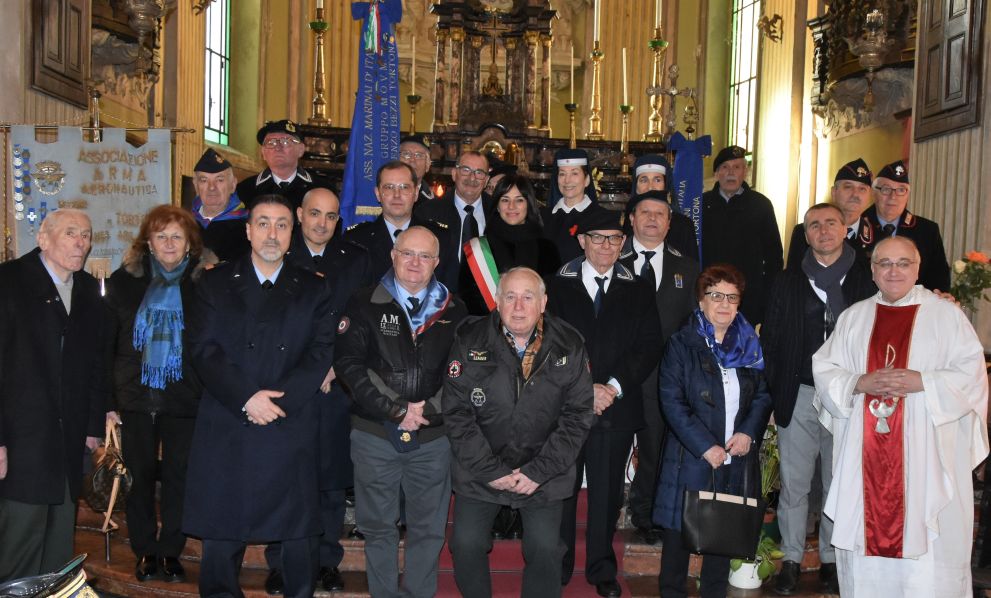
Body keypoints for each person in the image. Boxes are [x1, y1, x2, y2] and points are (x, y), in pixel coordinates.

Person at [812, 236, 989, 597]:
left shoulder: (947, 316)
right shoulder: (854, 317)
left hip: (924, 458)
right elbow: (825, 370)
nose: (894, 271)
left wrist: (922, 381)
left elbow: (972, 376)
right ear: (873, 271)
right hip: (867, 458)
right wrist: (860, 381)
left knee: (928, 557)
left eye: (903, 263)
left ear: (917, 268)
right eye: (885, 264)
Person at [182, 194, 335, 598]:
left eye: (282, 224)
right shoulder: (214, 282)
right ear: (248, 231)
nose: (272, 233)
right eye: (263, 223)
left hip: (289, 422)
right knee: (222, 532)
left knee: (298, 536)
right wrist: (248, 398)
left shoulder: (314, 289)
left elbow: (321, 353)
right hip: (230, 420)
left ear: (293, 232)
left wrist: (277, 403)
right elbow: (203, 350)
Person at [444, 267, 595, 598]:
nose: (518, 306)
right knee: (466, 543)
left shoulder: (569, 344)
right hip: (481, 471)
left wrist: (536, 473)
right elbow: (456, 413)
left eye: (528, 297)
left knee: (544, 548)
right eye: (510, 296)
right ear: (497, 301)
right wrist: (491, 471)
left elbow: (578, 415)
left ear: (543, 303)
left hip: (543, 473)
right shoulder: (469, 340)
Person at [335, 226, 468, 598]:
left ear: (437, 263)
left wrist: (426, 411)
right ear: (393, 255)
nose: (415, 262)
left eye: (425, 256)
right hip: (375, 435)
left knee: (428, 529)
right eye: (408, 253)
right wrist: (397, 411)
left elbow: (464, 373)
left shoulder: (455, 310)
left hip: (433, 438)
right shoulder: (362, 302)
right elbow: (350, 366)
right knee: (378, 528)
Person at [760, 203, 876, 595]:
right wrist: (776, 397)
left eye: (831, 223)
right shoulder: (788, 280)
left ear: (845, 229)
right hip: (799, 392)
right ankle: (791, 558)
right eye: (814, 226)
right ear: (805, 235)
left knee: (836, 480)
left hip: (848, 395)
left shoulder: (866, 278)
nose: (823, 231)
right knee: (794, 484)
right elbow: (771, 341)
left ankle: (830, 557)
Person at [547, 209, 663, 597]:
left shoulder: (639, 287)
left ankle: (601, 569)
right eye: (597, 238)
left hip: (616, 406)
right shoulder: (556, 285)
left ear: (623, 243)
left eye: (614, 239)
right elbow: (546, 344)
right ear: (582, 241)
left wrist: (611, 387)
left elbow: (648, 347)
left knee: (607, 492)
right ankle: (558, 564)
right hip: (564, 406)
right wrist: (584, 389)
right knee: (562, 489)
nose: (606, 246)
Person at [261, 188, 371, 595]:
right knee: (283, 476)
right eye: (314, 214)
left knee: (328, 479)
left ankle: (325, 561)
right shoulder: (278, 255)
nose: (322, 223)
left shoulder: (355, 260)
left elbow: (362, 321)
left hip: (335, 388)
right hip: (285, 385)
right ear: (299, 215)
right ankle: (280, 563)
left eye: (329, 216)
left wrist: (334, 366)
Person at [104, 206, 214, 584]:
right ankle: (145, 551)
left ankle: (171, 550)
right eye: (161, 236)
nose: (168, 244)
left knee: (179, 476)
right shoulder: (124, 282)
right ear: (148, 242)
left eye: (176, 237)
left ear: (189, 245)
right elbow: (109, 344)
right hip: (135, 396)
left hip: (186, 396)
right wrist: (110, 400)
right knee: (140, 475)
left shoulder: (205, 284)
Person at [0, 209, 109, 582]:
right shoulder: (9, 282)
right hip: (20, 443)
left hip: (69, 441)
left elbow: (97, 363)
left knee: (59, 545)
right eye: (70, 233)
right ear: (43, 239)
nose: (81, 242)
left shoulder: (88, 290)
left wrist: (93, 424)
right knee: (19, 543)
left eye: (86, 234)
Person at [653, 264, 773, 598]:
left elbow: (762, 396)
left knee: (723, 538)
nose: (724, 303)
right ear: (701, 300)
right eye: (716, 295)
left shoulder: (748, 345)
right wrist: (706, 446)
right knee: (678, 541)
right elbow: (672, 401)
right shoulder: (682, 343)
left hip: (736, 457)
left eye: (732, 297)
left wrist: (748, 432)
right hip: (690, 458)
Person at [617, 189, 699, 546]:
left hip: (662, 376)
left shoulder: (687, 267)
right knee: (611, 447)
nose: (651, 219)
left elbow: (691, 325)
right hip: (616, 373)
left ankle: (645, 513)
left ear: (669, 224)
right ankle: (605, 512)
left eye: (660, 214)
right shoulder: (610, 257)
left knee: (655, 448)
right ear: (631, 219)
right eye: (644, 212)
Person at [700, 145, 783, 325]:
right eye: (725, 167)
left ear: (745, 172)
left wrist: (767, 298)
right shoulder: (701, 205)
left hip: (748, 299)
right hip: (709, 295)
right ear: (716, 174)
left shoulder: (761, 205)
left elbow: (774, 256)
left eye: (737, 167)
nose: (731, 173)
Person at [460, 173, 561, 315]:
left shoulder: (547, 249)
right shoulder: (476, 249)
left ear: (529, 204)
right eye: (505, 200)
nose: (511, 206)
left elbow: (553, 299)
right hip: (487, 330)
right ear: (497, 206)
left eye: (519, 200)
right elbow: (468, 300)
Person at [346, 160, 454, 283]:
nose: (397, 195)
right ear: (378, 194)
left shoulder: (440, 237)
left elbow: (449, 291)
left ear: (416, 193)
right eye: (389, 187)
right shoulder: (356, 239)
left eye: (404, 187)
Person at [855, 160, 951, 291]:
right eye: (886, 189)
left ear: (907, 195)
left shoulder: (927, 230)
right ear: (874, 193)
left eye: (901, 190)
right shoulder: (857, 226)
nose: (893, 197)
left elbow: (939, 277)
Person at [414, 150, 492, 294]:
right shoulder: (427, 213)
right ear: (454, 174)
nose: (472, 177)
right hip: (440, 300)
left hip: (488, 302)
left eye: (479, 172)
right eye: (466, 170)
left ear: (486, 180)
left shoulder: (497, 212)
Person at [785, 158, 873, 270]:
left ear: (869, 195)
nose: (855, 194)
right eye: (848, 187)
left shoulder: (877, 235)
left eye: (862, 189)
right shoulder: (804, 232)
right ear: (834, 192)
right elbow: (793, 277)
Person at [236, 119, 332, 212]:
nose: (278, 147)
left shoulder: (322, 189)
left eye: (285, 142)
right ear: (263, 153)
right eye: (271, 143)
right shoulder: (245, 190)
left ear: (301, 150)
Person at [541, 148, 607, 263]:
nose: (567, 180)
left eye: (574, 173)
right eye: (562, 174)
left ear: (586, 180)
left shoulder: (601, 218)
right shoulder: (542, 217)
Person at [629, 154, 698, 258]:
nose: (650, 186)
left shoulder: (684, 226)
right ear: (636, 187)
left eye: (657, 180)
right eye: (644, 180)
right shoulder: (622, 224)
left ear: (666, 185)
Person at [190, 148, 250, 262]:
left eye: (220, 180)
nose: (212, 187)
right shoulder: (185, 224)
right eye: (204, 180)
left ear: (233, 185)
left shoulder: (248, 229)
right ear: (195, 185)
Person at [399, 135, 434, 206]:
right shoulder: (383, 195)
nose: (412, 160)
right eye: (406, 154)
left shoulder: (435, 204)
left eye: (419, 155)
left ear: (427, 164)